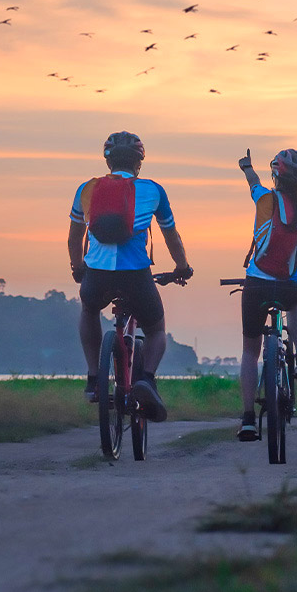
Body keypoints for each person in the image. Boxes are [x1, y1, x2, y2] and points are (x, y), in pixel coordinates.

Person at [67, 131, 192, 422]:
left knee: (88, 309)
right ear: (139, 162)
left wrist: (78, 268)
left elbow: (75, 238)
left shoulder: (86, 189)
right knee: (156, 329)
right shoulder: (153, 190)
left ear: (107, 160)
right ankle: (146, 378)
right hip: (136, 275)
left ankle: (93, 378)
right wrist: (182, 266)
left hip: (97, 274)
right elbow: (170, 235)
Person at [235, 148, 297, 441]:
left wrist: (246, 167)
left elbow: (253, 183)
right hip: (289, 287)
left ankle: (248, 419)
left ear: (276, 176)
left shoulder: (265, 198)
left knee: (250, 352)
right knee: (296, 297)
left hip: (256, 285)